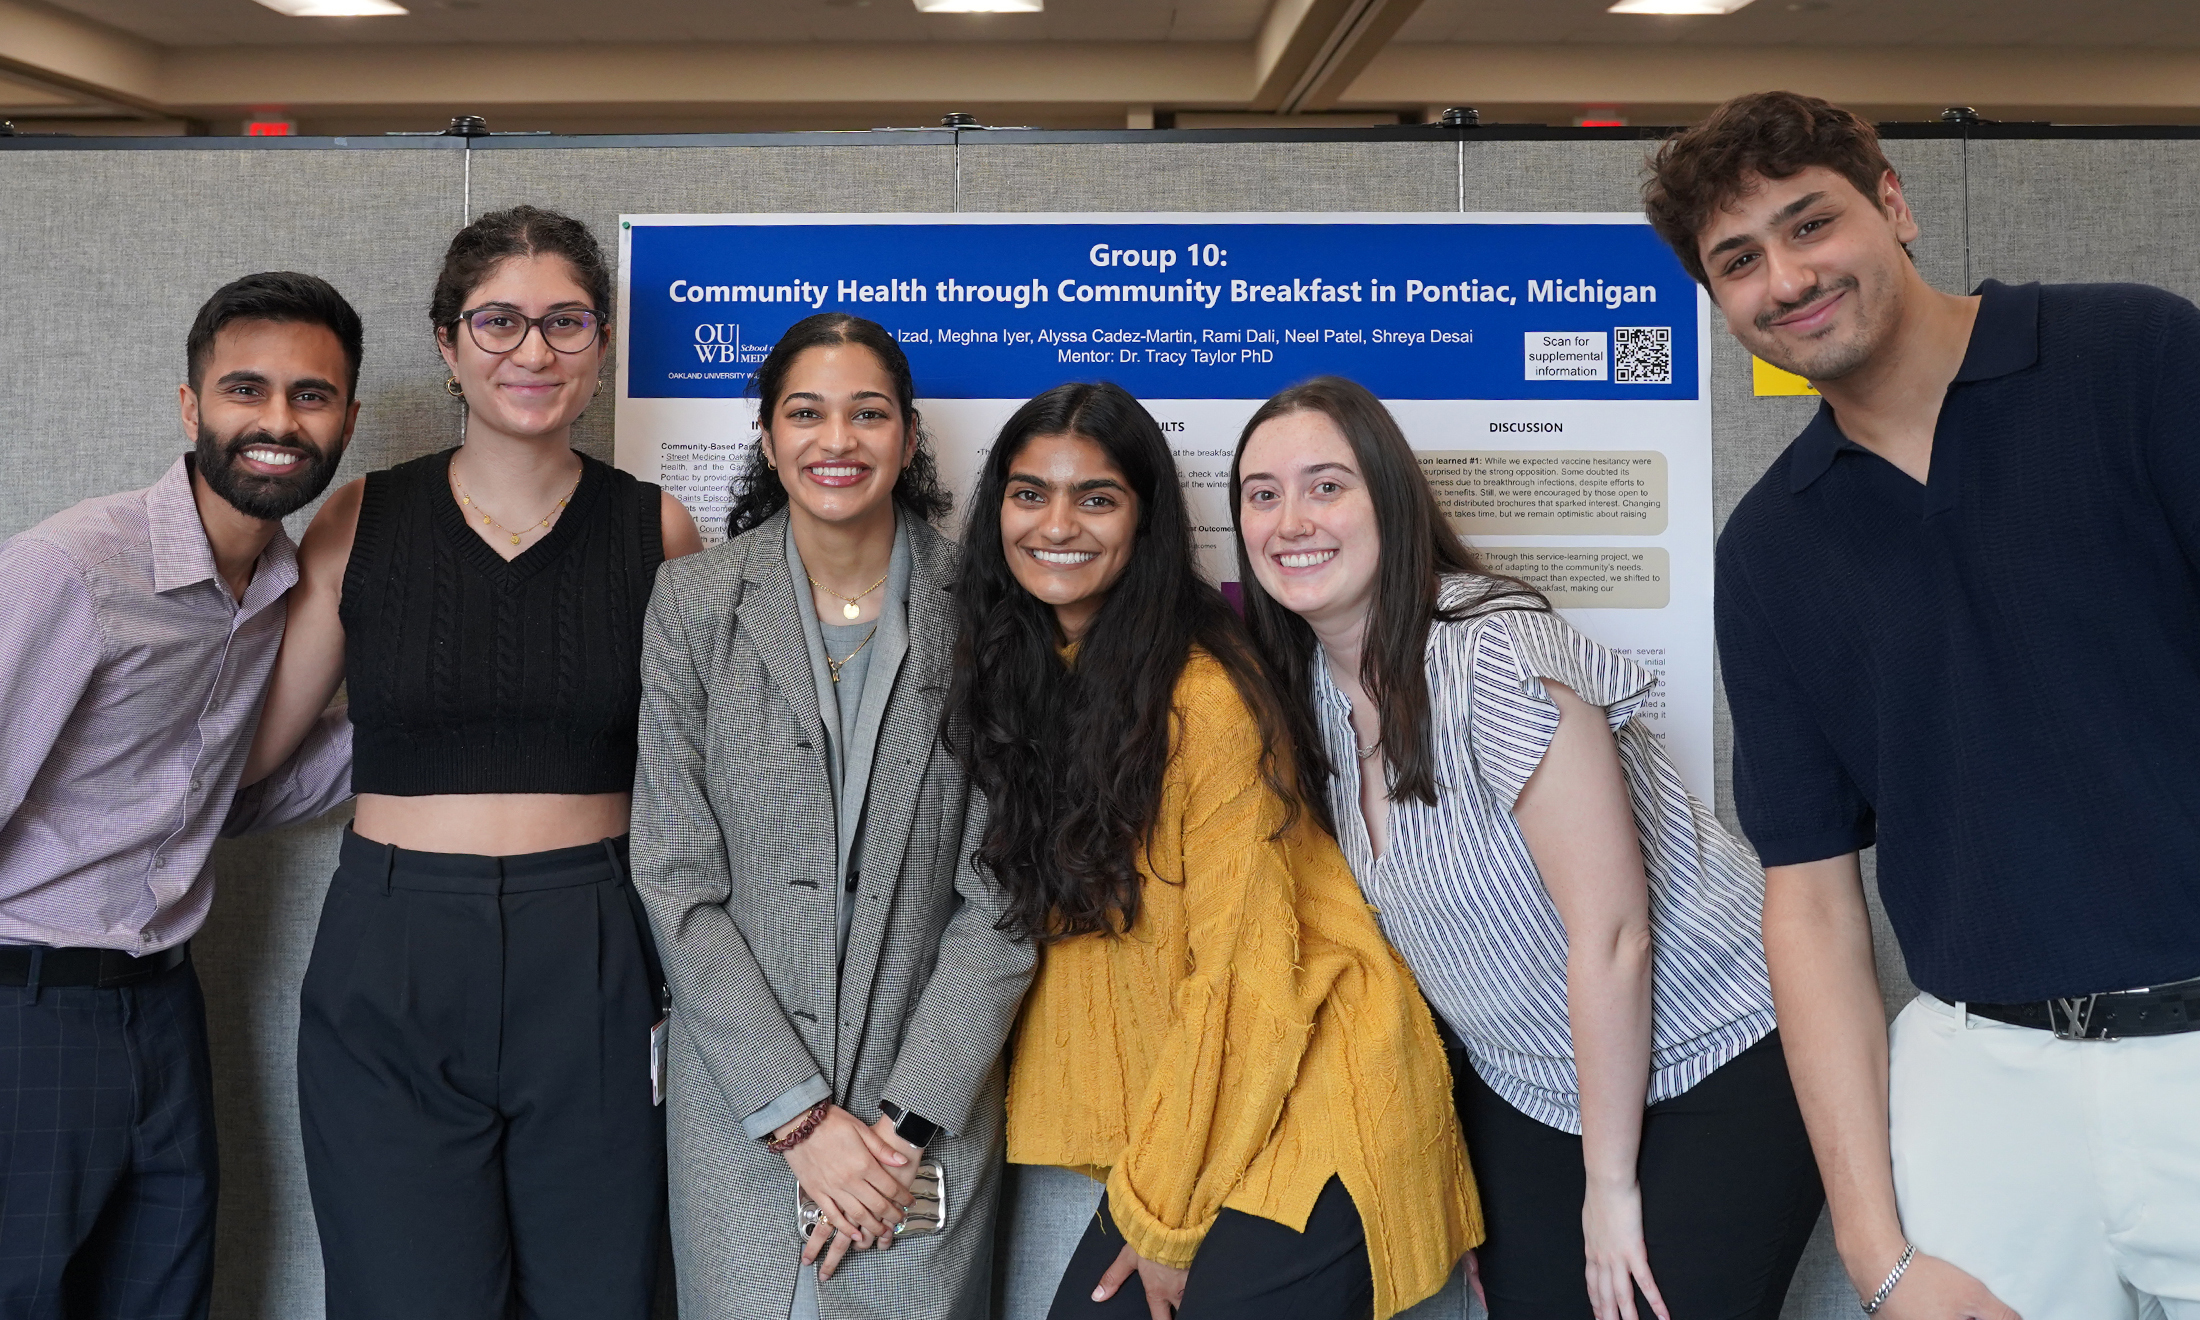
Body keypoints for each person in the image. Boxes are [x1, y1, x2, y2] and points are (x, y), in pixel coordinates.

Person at [1643, 90, 2200, 1320]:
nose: (1783, 278)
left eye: (1808, 226)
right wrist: (1875, 1251)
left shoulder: (2139, 360)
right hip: (1980, 1082)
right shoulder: (1771, 550)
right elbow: (1810, 902)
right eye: (1738, 261)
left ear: (1890, 204)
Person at [1230, 377, 1824, 1320]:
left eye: (1326, 485)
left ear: (1390, 496)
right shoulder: (1303, 694)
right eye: (1262, 494)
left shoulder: (1493, 651)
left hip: (1718, 1058)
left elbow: (1614, 935)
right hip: (1532, 1089)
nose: (1291, 519)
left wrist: (1609, 1190)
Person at [243, 205, 704, 1320]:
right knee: (407, 1296)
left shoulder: (662, 533)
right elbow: (254, 752)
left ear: (601, 347)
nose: (532, 352)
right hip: (392, 950)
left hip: (593, 942)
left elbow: (702, 782)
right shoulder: (358, 520)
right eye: (497, 322)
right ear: (448, 345)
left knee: (603, 1295)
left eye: (565, 322)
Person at [950, 381, 1480, 1320]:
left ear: (1147, 520)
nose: (1056, 523)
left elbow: (1245, 978)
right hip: (1214, 1112)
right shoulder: (1035, 676)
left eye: (1097, 497)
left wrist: (1165, 1216)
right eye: (1029, 493)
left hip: (1311, 1101)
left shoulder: (1201, 698)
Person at [631, 311, 1034, 1320]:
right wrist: (805, 1124)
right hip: (745, 1114)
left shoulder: (988, 607)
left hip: (922, 1127)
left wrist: (897, 1130)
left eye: (868, 413)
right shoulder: (691, 605)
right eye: (806, 413)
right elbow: (677, 881)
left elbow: (1005, 894)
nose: (837, 440)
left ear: (905, 437)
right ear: (768, 438)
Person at [0, 272, 361, 1319]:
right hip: (27, 1003)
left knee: (166, 1296)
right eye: (246, 390)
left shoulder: (286, 591)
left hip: (164, 1004)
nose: (278, 422)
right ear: (190, 407)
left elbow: (226, 795)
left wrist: (427, 735)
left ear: (345, 418)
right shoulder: (75, 568)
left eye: (311, 395)